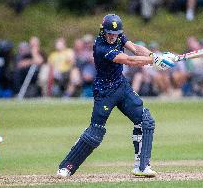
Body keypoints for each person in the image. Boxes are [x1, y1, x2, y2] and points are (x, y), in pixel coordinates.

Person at [57, 14, 176, 178]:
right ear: (102, 31)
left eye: (116, 33)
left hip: (121, 86)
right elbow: (128, 60)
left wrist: (154, 55)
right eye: (110, 33)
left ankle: (142, 166)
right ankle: (66, 167)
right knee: (95, 133)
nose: (113, 37)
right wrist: (153, 62)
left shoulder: (119, 36)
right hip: (105, 91)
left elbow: (134, 48)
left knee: (145, 121)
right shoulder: (101, 47)